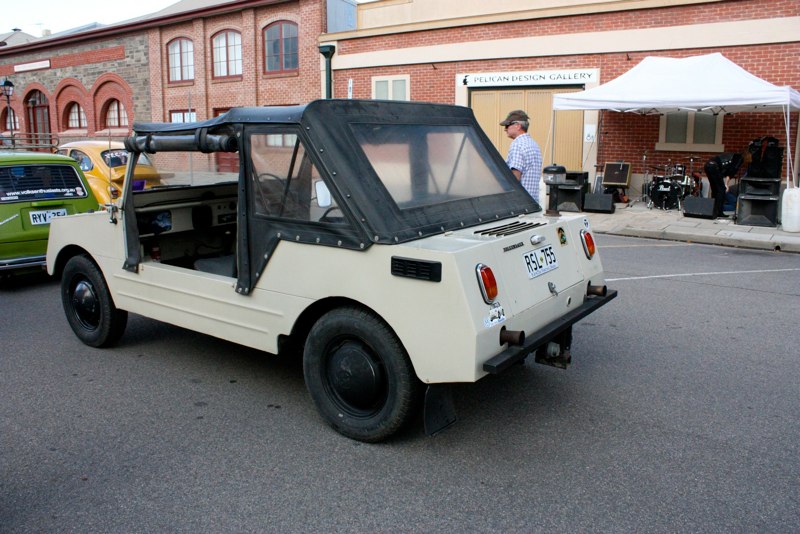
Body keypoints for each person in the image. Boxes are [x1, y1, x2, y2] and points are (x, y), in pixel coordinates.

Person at [500, 110, 543, 202]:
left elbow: (515, 176)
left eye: (507, 125)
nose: (505, 129)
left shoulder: (517, 144)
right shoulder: (534, 144)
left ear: (518, 126)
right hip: (533, 200)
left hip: (520, 201)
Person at [703, 152, 743, 218]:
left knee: (715, 189)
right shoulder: (739, 158)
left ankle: (714, 210)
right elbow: (731, 171)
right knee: (721, 190)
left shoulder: (732, 155)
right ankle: (719, 212)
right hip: (714, 167)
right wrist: (726, 184)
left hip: (708, 165)